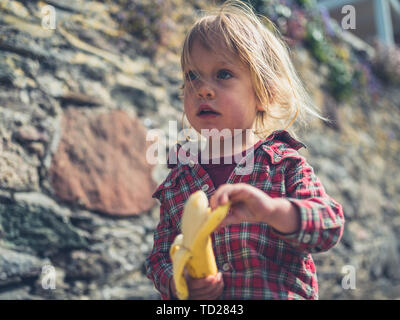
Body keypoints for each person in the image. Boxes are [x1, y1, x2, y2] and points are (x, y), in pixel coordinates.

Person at [145, 0, 344, 300]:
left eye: (223, 74)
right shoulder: (177, 184)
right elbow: (159, 256)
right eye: (192, 76)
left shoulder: (284, 166)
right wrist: (178, 283)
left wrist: (272, 211)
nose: (203, 89)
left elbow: (329, 224)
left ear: (264, 93)